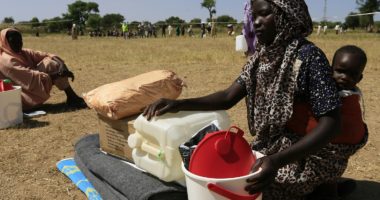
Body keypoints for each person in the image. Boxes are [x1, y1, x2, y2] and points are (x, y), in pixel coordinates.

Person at [143, 0, 367, 199]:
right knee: (239, 174)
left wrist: (277, 161)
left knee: (254, 187)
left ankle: (324, 185)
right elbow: (228, 96)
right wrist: (179, 104)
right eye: (254, 16)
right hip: (276, 144)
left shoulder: (308, 58)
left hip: (313, 151)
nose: (257, 22)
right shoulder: (261, 57)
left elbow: (331, 125)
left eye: (265, 14)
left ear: (286, 14)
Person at [0, 28, 86, 111]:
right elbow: (31, 78)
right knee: (51, 66)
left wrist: (62, 65)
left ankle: (72, 98)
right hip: (20, 100)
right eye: (13, 41)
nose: (18, 44)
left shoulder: (23, 52)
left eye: (20, 40)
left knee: (49, 62)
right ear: (5, 43)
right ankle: (73, 98)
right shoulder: (6, 60)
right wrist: (59, 74)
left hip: (31, 88)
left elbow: (47, 55)